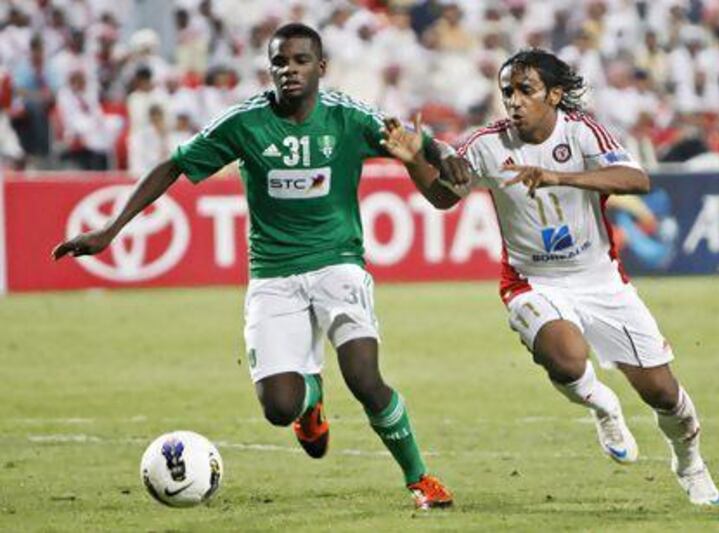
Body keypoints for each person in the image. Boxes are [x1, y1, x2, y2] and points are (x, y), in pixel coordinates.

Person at [52, 22, 452, 510]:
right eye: (279, 62)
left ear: (321, 67)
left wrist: (441, 154)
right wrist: (111, 229)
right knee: (279, 408)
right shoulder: (244, 123)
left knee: (365, 377)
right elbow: (174, 165)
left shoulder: (349, 117)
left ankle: (420, 478)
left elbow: (414, 146)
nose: (289, 70)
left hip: (338, 264)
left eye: (300, 60)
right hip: (273, 275)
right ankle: (310, 401)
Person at [381, 48, 719, 506]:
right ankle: (601, 404)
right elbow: (444, 198)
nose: (514, 101)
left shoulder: (582, 133)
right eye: (507, 92)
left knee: (663, 393)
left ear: (555, 94)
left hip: (600, 280)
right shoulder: (486, 144)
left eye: (526, 90)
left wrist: (559, 176)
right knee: (563, 357)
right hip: (531, 281)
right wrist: (414, 161)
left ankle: (691, 464)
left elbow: (636, 179)